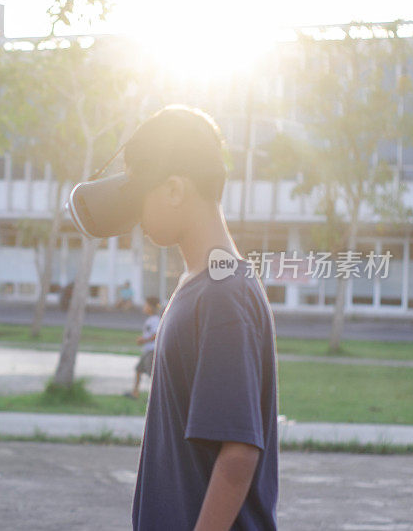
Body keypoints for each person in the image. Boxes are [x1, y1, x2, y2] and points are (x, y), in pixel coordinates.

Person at [127, 106, 278, 530]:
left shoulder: (222, 293)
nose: (134, 209)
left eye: (139, 190)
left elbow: (237, 454)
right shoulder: (202, 284)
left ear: (174, 188)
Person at [127, 296, 161, 399]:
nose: (144, 307)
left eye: (146, 305)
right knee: (138, 370)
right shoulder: (150, 319)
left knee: (152, 374)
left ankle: (157, 396)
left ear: (151, 307)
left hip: (152, 351)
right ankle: (135, 393)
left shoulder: (155, 320)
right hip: (147, 350)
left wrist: (144, 340)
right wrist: (143, 339)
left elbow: (156, 334)